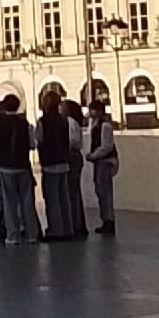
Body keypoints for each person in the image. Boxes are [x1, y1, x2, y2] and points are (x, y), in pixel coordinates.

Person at [37, 83, 87, 240]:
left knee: (52, 197)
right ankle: (68, 227)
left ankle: (56, 229)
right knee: (65, 197)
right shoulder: (64, 121)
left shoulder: (43, 121)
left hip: (50, 162)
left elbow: (39, 140)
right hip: (64, 161)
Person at [0, 92, 40, 243]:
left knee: (9, 202)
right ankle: (32, 234)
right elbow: (32, 145)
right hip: (23, 165)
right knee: (27, 201)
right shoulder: (25, 123)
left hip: (5, 167)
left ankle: (13, 235)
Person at [84, 88, 119, 235]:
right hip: (100, 161)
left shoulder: (105, 126)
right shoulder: (97, 125)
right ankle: (105, 219)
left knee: (104, 192)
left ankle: (108, 220)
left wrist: (94, 155)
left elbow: (106, 146)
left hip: (105, 161)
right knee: (101, 191)